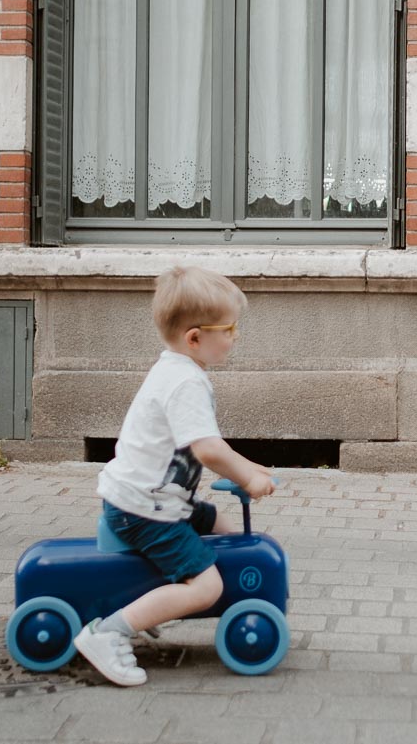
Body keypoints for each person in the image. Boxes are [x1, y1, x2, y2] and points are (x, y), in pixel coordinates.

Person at [74, 265, 276, 686]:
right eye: (230, 329)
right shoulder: (186, 383)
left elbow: (209, 443)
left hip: (156, 500)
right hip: (144, 510)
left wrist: (249, 467)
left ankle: (161, 600)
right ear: (196, 337)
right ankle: (107, 634)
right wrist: (250, 480)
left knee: (220, 527)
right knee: (206, 587)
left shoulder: (176, 370)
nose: (235, 337)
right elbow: (208, 449)